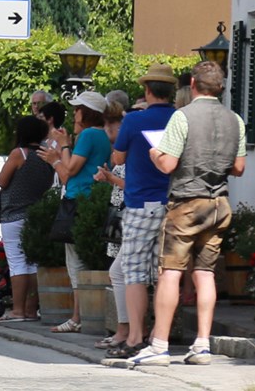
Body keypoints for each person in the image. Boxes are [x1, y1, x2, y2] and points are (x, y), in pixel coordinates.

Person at [132, 61, 246, 366]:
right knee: (205, 273)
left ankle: (159, 345)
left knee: (170, 272)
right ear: (221, 87)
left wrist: (155, 154)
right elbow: (238, 168)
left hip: (185, 203)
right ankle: (202, 345)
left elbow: (168, 165)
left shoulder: (182, 117)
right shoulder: (235, 119)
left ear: (193, 83)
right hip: (219, 204)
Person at [100, 65, 176, 359]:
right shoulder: (179, 119)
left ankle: (134, 337)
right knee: (164, 272)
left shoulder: (134, 121)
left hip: (140, 202)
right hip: (172, 203)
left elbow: (118, 156)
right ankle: (158, 336)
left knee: (132, 272)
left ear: (146, 90)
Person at [41, 91, 111, 333]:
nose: (74, 113)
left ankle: (77, 317)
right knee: (81, 261)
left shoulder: (89, 135)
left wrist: (60, 150)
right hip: (91, 199)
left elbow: (69, 170)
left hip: (79, 200)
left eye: (78, 108)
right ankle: (79, 316)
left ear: (87, 112)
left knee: (75, 264)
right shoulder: (102, 135)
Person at [0, 116, 54, 322]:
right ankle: (30, 309)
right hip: (36, 215)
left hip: (14, 215)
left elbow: (1, 180)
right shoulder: (47, 157)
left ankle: (17, 310)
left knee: (18, 264)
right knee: (33, 263)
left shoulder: (19, 154)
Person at [93, 97, 127, 349]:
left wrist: (110, 178)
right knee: (119, 273)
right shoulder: (124, 145)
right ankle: (125, 330)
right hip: (123, 214)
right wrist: (109, 178)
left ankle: (126, 331)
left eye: (108, 127)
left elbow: (132, 184)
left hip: (131, 216)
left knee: (120, 273)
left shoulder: (129, 145)